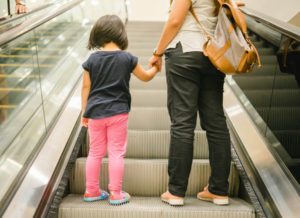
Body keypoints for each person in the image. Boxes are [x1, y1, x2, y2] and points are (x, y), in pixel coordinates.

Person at [149, 0, 231, 206]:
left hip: (185, 52)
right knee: (216, 124)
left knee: (183, 123)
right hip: (213, 55)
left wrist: (157, 52)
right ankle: (219, 190)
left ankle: (176, 191)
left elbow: (175, 20)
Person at [81, 15, 158, 205]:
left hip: (96, 113)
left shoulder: (92, 60)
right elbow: (145, 77)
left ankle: (91, 191)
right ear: (121, 34)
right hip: (118, 112)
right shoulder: (127, 58)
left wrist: (85, 112)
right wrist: (155, 69)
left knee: (95, 152)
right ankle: (115, 193)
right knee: (116, 152)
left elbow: (85, 87)